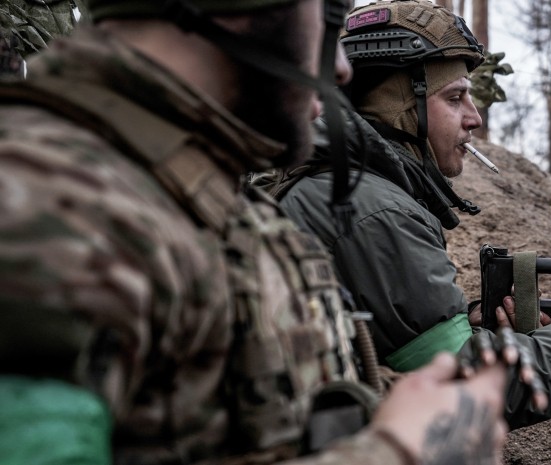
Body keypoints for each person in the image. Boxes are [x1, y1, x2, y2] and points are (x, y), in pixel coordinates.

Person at [0, 0, 512, 464]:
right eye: (325, 20)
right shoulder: (47, 207)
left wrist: (417, 405)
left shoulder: (197, 197)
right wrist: (397, 452)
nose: (338, 69)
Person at [278, 0, 551, 430]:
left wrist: (468, 326)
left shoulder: (340, 190)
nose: (474, 118)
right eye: (455, 98)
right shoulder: (371, 208)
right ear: (398, 105)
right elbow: (465, 391)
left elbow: (386, 351)